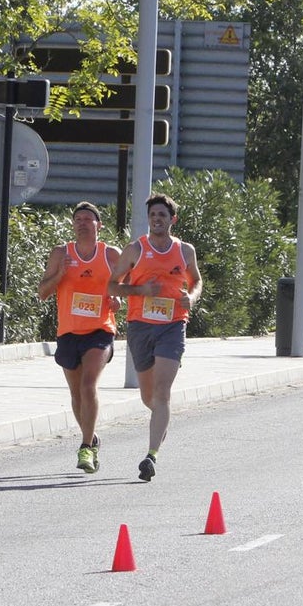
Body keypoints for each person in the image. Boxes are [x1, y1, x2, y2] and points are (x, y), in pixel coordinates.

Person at [108, 193, 203, 482]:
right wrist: (139, 292)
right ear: (148, 220)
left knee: (162, 392)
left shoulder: (185, 251)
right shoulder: (135, 250)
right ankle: (161, 421)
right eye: (153, 216)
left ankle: (151, 456)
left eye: (162, 215)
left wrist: (192, 297)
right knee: (148, 396)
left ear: (172, 219)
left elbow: (196, 280)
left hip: (173, 325)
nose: (157, 220)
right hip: (140, 325)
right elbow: (112, 285)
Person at [38, 202, 121, 474]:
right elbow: (42, 292)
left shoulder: (110, 255)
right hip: (69, 331)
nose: (82, 223)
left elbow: (124, 287)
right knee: (76, 394)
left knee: (88, 385)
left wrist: (118, 299)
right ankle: (92, 437)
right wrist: (60, 274)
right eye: (78, 219)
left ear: (99, 225)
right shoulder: (61, 253)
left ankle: (85, 446)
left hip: (101, 329)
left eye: (88, 219)